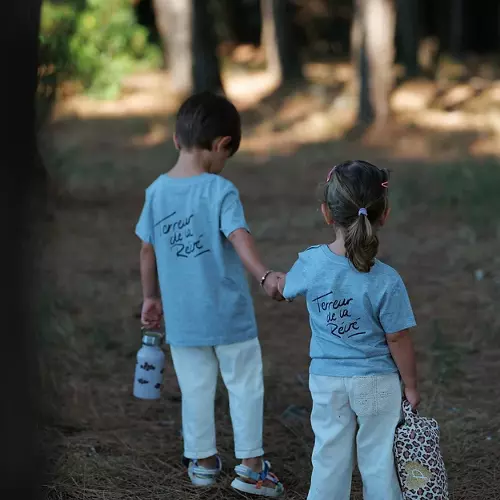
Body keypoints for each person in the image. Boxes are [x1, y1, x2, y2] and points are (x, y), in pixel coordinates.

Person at [135, 92, 284, 497]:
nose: (223, 165)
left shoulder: (156, 192)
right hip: (229, 315)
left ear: (174, 138)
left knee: (196, 388)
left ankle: (201, 462)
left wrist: (151, 298)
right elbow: (239, 236)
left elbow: (147, 249)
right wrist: (264, 275)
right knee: (245, 383)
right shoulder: (220, 190)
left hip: (184, 319)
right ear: (221, 145)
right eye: (226, 156)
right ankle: (251, 467)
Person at [278, 160, 419, 500]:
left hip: (328, 381)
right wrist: (411, 385)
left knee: (329, 455)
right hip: (377, 382)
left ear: (327, 213)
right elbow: (397, 338)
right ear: (383, 215)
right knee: (380, 458)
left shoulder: (309, 264)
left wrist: (271, 279)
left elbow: (284, 288)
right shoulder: (387, 280)